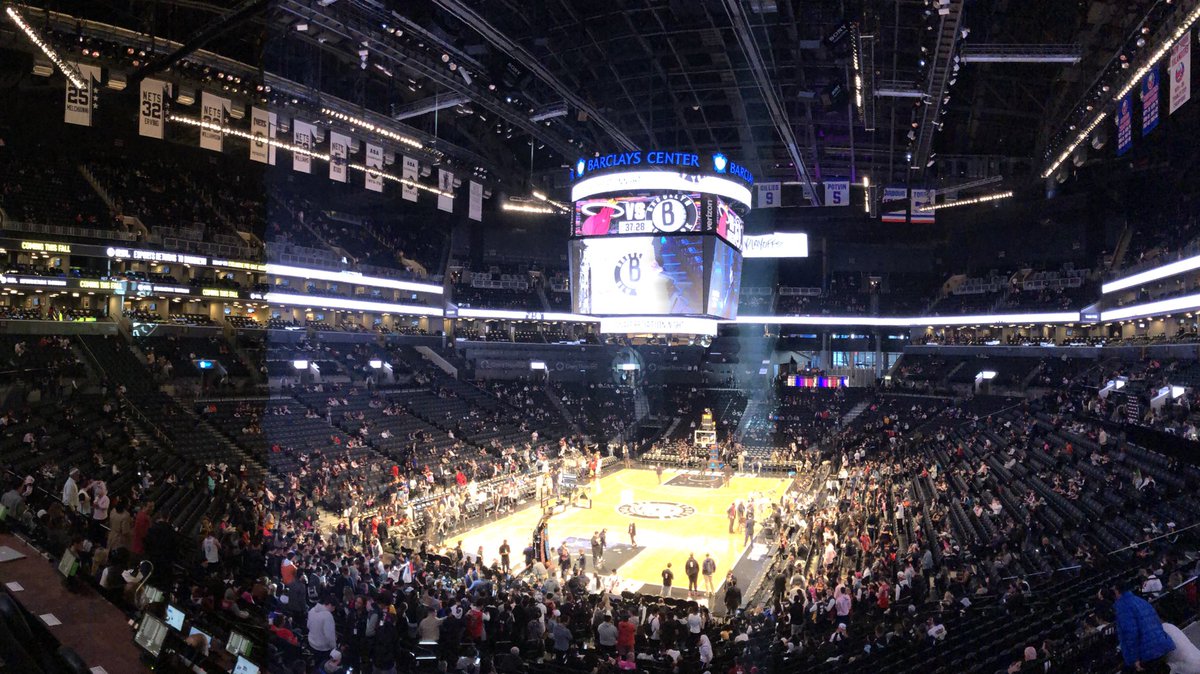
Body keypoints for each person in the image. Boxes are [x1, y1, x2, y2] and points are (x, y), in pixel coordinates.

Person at [1113, 581, 1175, 671]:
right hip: (1160, 644)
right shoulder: (1141, 601)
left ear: (1117, 591)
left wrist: (1135, 658)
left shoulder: (1123, 607)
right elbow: (1157, 621)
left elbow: (1130, 634)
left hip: (1146, 653)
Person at [307, 595, 339, 665]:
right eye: (334, 608)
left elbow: (308, 626)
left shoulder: (312, 610)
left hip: (311, 643)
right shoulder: (328, 616)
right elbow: (329, 637)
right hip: (321, 648)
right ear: (330, 605)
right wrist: (334, 648)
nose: (333, 610)